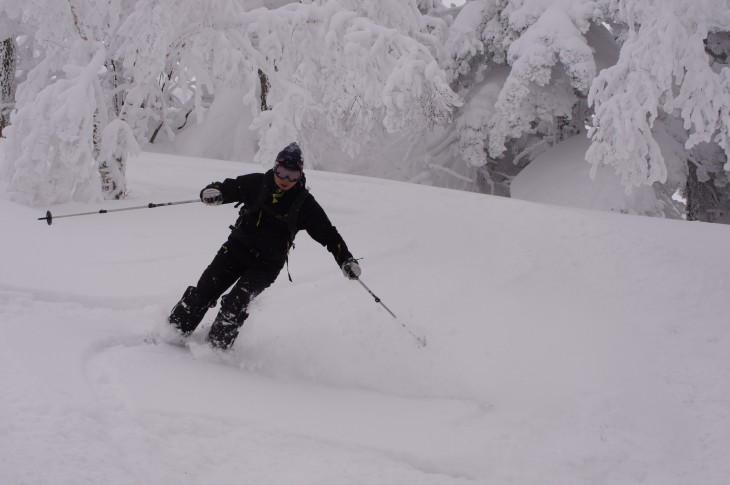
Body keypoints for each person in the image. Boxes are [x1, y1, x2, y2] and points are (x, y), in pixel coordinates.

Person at [166, 142, 361, 350]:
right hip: (235, 251)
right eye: (282, 172)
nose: (286, 180)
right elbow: (227, 188)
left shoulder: (305, 205)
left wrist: (345, 260)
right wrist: (213, 192)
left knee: (235, 305)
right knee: (204, 290)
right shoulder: (256, 183)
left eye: (293, 175)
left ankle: (215, 352)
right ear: (275, 167)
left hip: (266, 266)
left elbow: (329, 235)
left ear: (300, 175)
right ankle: (170, 336)